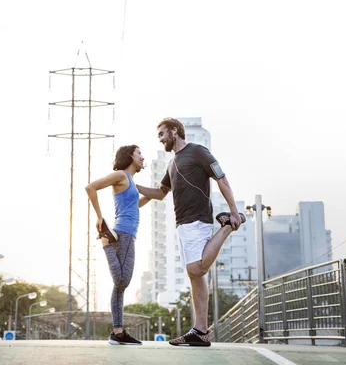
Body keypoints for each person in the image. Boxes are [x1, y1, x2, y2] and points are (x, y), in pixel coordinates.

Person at [136, 117, 245, 347]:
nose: (161, 139)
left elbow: (221, 177)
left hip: (198, 219)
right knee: (195, 276)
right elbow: (159, 193)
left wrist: (234, 212)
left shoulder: (198, 151)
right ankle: (200, 331)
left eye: (162, 134)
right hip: (182, 223)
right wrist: (132, 191)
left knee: (197, 268)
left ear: (175, 131)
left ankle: (226, 227)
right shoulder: (171, 164)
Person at [85, 144, 150, 345]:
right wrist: (99, 217)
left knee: (120, 286)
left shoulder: (130, 181)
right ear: (129, 155)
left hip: (127, 233)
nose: (142, 156)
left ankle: (118, 332)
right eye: (139, 153)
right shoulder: (121, 175)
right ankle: (105, 243)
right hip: (124, 233)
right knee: (122, 281)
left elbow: (133, 205)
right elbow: (91, 187)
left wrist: (159, 190)